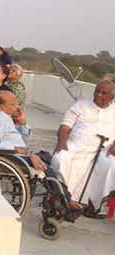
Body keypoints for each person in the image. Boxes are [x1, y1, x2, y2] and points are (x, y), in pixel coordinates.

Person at [0, 91, 83, 212]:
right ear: (1, 106)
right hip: (11, 157)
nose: (18, 107)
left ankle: (61, 196)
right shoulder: (0, 118)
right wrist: (17, 149)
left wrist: (22, 122)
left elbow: (22, 141)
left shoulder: (5, 118)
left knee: (47, 158)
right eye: (13, 104)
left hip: (20, 154)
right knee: (46, 167)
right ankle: (65, 199)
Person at [51, 80, 115, 216]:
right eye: (97, 91)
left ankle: (94, 204)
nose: (99, 95)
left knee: (111, 166)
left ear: (112, 97)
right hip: (76, 146)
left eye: (104, 93)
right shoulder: (80, 106)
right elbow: (64, 127)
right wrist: (62, 140)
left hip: (104, 150)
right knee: (60, 159)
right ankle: (66, 200)